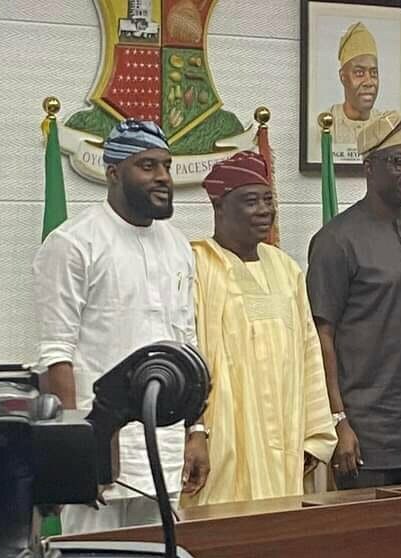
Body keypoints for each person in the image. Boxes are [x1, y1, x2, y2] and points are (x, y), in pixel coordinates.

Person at [33, 119, 208, 532]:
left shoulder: (178, 245)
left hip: (163, 450)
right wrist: (78, 455)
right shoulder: (73, 243)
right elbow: (56, 354)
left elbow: (187, 344)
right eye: (147, 166)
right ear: (113, 174)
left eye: (166, 165)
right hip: (101, 451)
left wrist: (197, 430)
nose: (163, 177)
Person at [179, 151, 337, 506]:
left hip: (285, 436)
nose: (265, 210)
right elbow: (188, 353)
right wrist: (196, 430)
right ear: (219, 207)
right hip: (224, 437)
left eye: (269, 200)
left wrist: (314, 434)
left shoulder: (285, 268)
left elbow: (309, 352)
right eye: (251, 201)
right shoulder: (196, 265)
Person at [307, 111, 401, 489]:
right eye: (399, 161)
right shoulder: (336, 240)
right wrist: (338, 421)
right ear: (369, 167)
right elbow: (321, 337)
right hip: (365, 435)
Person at [329, 22, 381, 147]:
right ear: (343, 77)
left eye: (374, 73)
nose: (369, 82)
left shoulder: (385, 125)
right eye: (359, 73)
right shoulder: (327, 123)